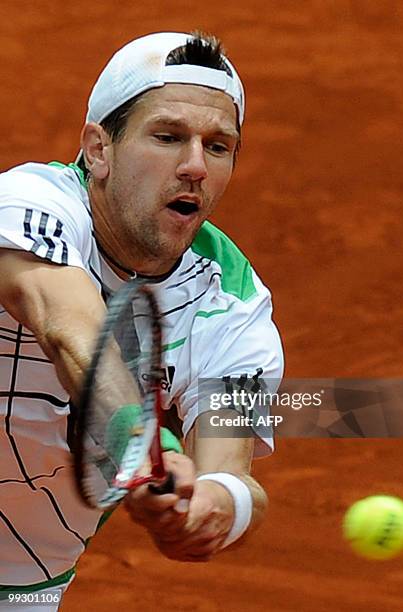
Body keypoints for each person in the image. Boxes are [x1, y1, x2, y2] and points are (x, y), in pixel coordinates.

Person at [0, 31, 283, 608]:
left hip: (25, 581)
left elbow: (232, 470)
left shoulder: (237, 306)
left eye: (219, 146)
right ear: (99, 150)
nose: (195, 166)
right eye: (168, 137)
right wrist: (143, 445)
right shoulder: (29, 202)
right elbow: (69, 329)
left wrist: (212, 508)